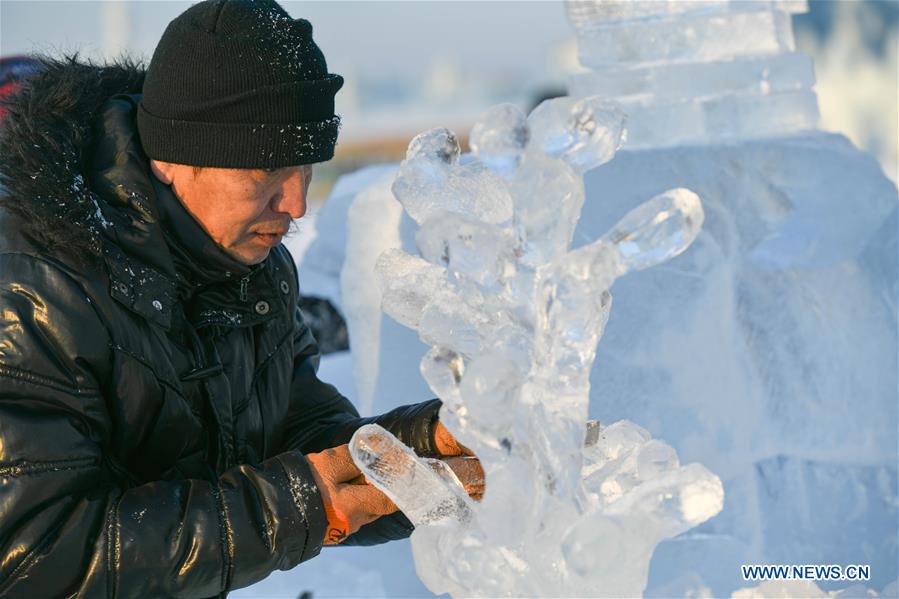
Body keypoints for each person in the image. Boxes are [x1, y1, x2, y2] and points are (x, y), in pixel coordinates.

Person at [0, 1, 481, 596]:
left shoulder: (249, 258)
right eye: (266, 173)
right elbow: (35, 555)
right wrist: (295, 508)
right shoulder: (31, 289)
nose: (297, 205)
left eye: (305, 167)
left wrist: (425, 446)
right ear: (172, 159)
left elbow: (288, 431)